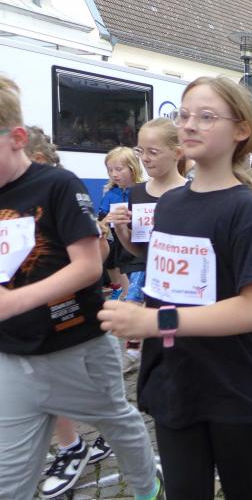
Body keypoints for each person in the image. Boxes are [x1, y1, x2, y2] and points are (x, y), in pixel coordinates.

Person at [98, 76, 252, 500]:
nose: (189, 125)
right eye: (184, 115)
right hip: (174, 377)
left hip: (233, 382)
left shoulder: (247, 211)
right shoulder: (170, 204)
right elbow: (165, 284)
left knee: (247, 492)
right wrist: (143, 321)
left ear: (240, 130)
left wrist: (156, 321)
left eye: (206, 117)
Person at [0, 76, 163, 500]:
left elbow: (89, 266)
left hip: (77, 346)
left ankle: (148, 489)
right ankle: (69, 452)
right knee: (8, 479)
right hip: (11, 355)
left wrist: (14, 301)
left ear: (17, 139)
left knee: (118, 423)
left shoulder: (57, 185)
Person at [23, 128, 115, 498]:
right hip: (30, 315)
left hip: (73, 310)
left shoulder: (63, 189)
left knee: (88, 384)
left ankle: (109, 435)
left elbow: (98, 257)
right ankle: (70, 445)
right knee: (40, 385)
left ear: (38, 160)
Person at [107, 119, 187, 376]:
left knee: (178, 351)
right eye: (141, 151)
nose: (145, 159)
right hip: (153, 285)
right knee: (159, 358)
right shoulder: (138, 192)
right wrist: (121, 230)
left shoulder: (190, 191)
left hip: (182, 288)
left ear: (177, 153)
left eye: (153, 152)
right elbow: (140, 250)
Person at [99, 147, 144, 301]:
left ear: (132, 168)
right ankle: (123, 293)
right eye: (110, 170)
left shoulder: (142, 191)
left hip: (137, 241)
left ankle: (130, 296)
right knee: (118, 265)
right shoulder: (110, 193)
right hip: (118, 241)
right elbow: (102, 220)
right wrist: (105, 221)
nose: (114, 174)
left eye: (118, 169)